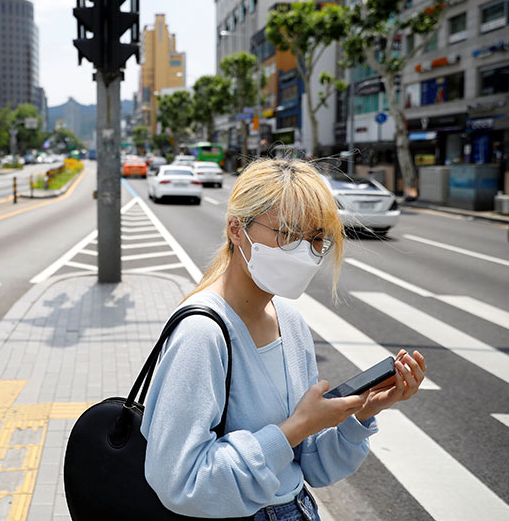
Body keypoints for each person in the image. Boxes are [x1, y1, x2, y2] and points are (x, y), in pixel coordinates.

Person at [141, 158, 426, 520]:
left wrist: (363, 410)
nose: (304, 252)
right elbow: (181, 482)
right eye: (288, 234)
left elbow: (310, 464)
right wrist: (295, 428)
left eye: (317, 239)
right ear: (236, 229)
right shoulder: (202, 332)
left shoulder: (289, 322)